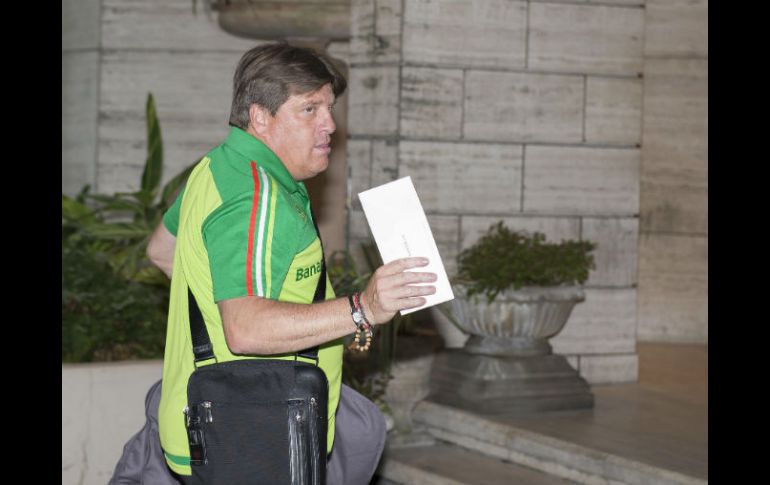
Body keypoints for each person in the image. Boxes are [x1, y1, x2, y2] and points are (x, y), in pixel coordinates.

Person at [146, 42, 437, 484]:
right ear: (261, 117)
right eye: (309, 109)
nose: (330, 125)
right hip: (252, 436)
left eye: (330, 107)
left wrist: (222, 298)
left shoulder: (217, 168)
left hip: (215, 424)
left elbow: (161, 250)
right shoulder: (257, 198)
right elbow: (245, 330)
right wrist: (363, 309)